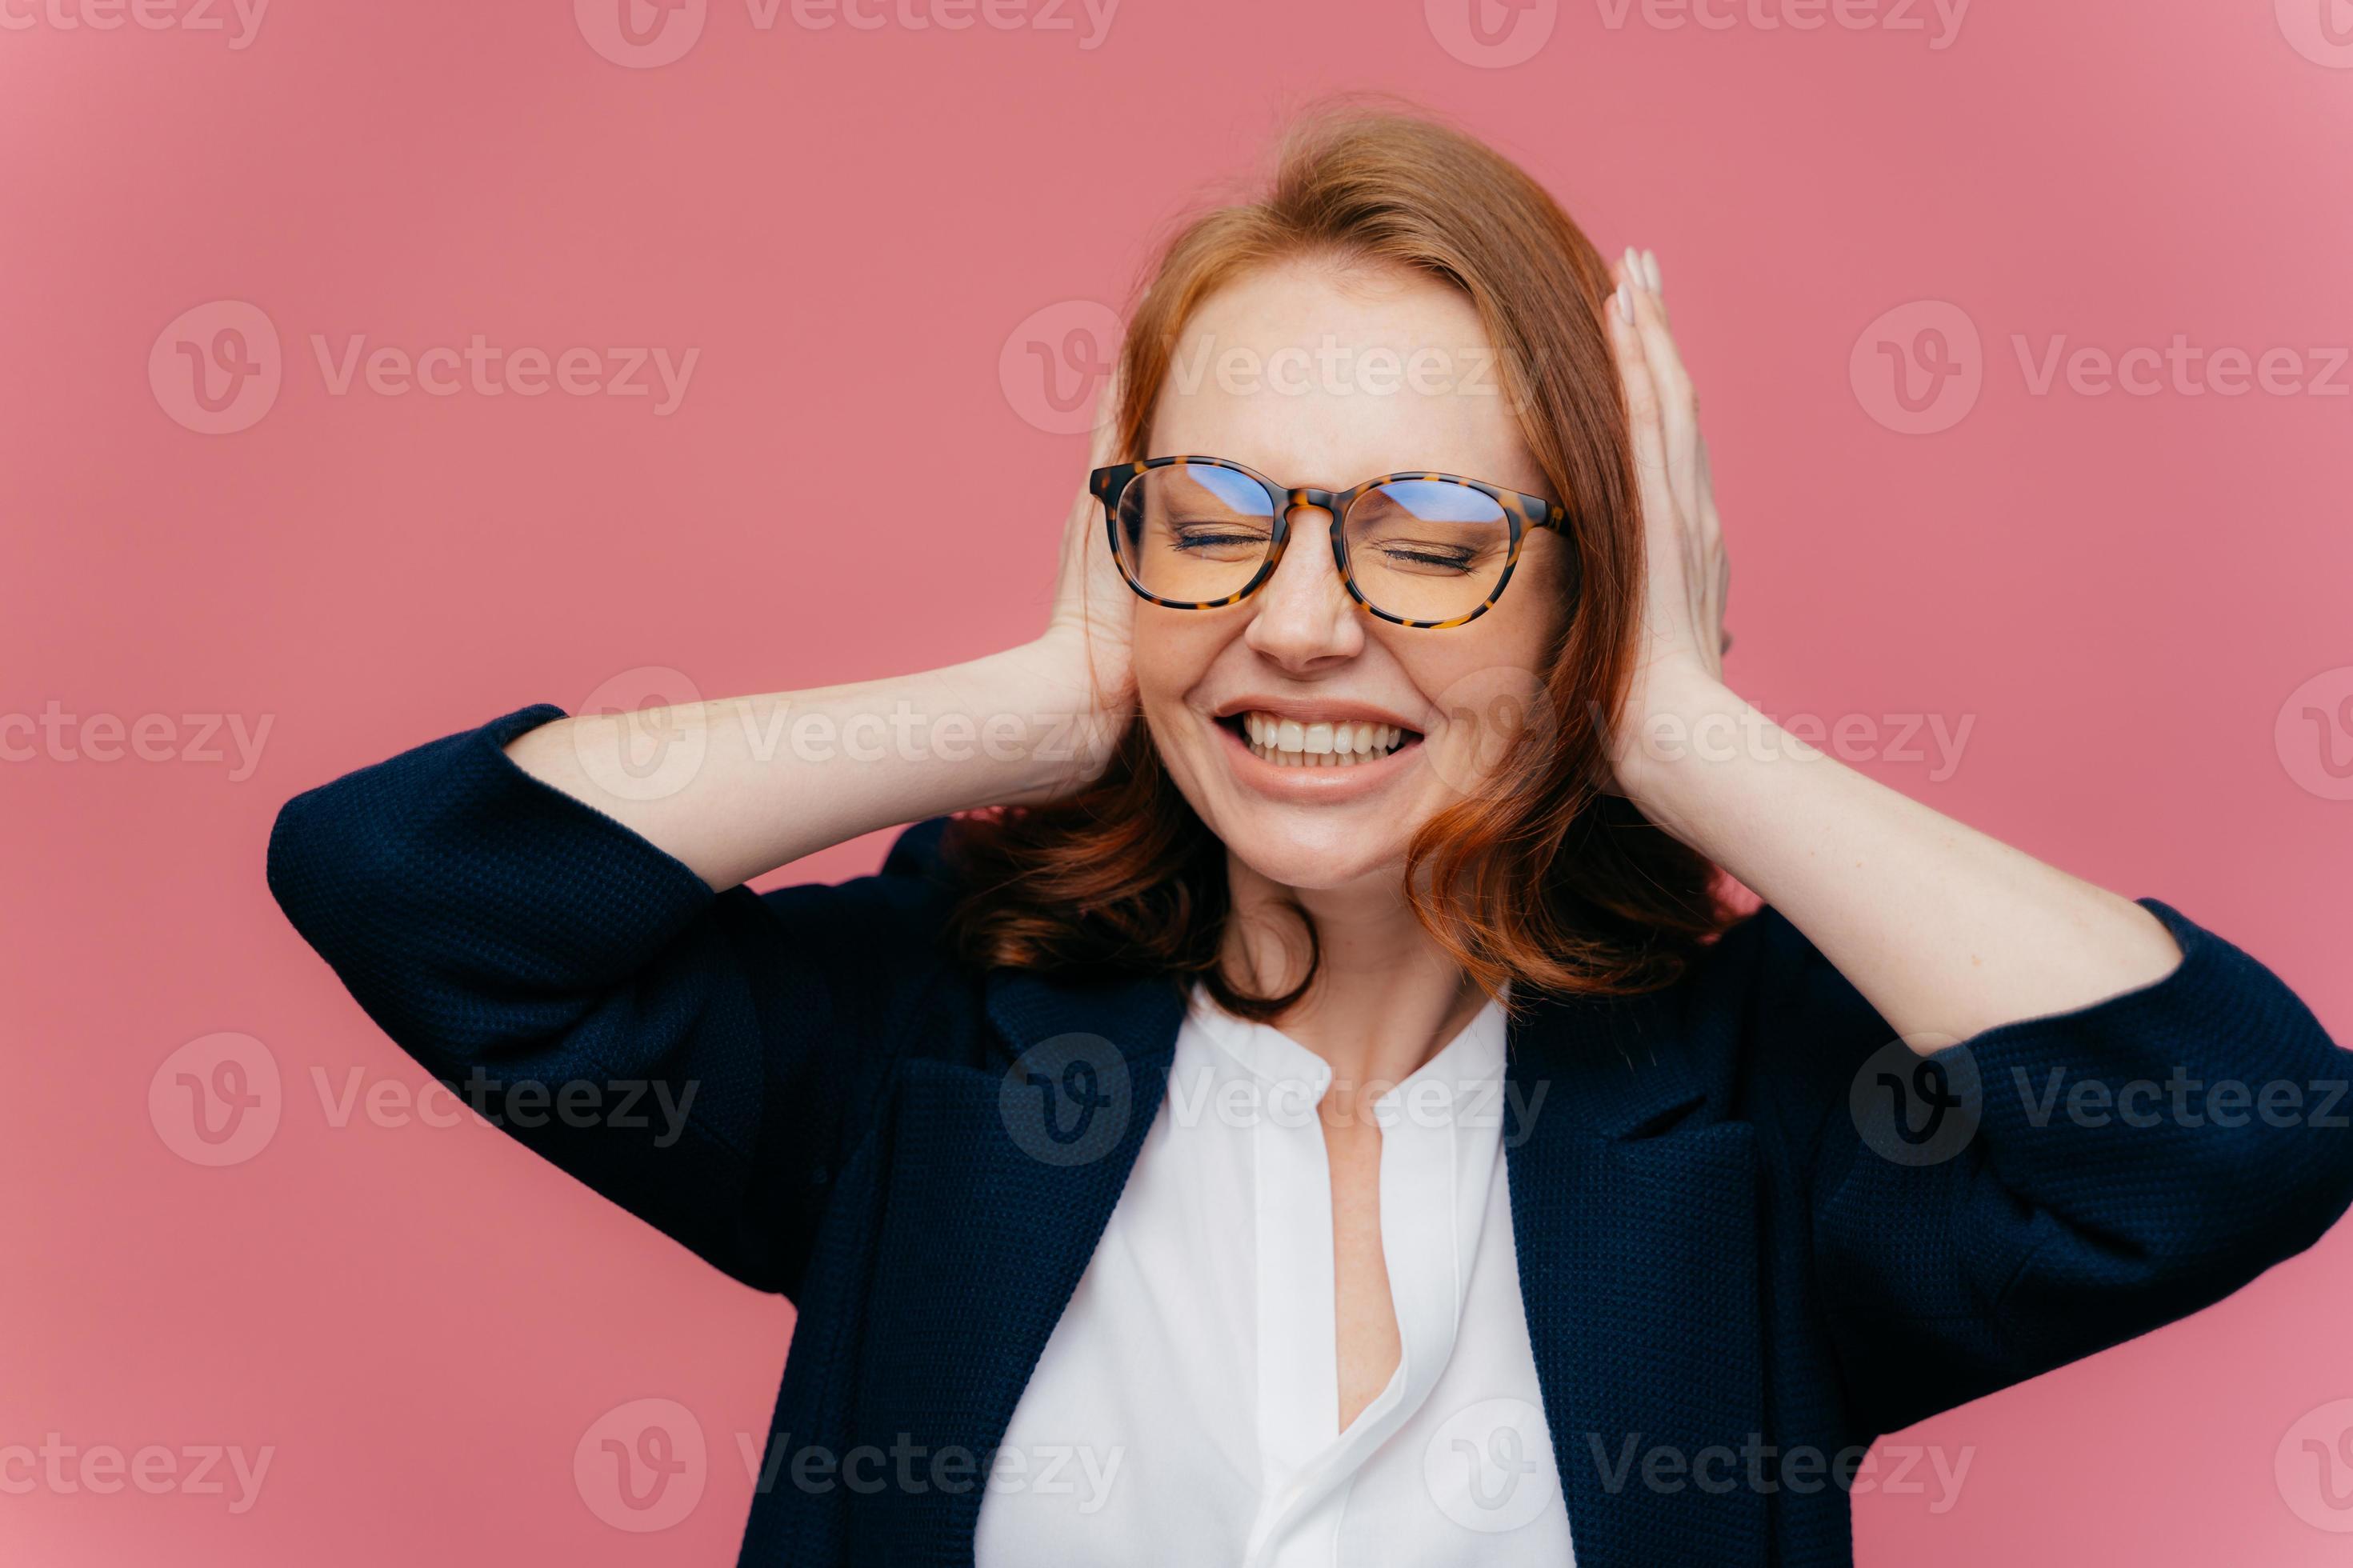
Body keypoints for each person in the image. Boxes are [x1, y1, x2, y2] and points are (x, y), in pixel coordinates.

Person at [266, 107, 2353, 1566]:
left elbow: (2237, 1126)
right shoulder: (931, 1044)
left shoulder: (1757, 1135)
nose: (1296, 620)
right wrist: (1063, 689)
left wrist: (1687, 735)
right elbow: (415, 887)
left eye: (1431, 534)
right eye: (1220, 517)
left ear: (1587, 592)